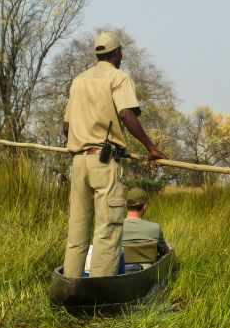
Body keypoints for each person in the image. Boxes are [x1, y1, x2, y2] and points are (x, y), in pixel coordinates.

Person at [62, 31, 166, 278]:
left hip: (78, 163)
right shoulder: (118, 77)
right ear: (117, 53)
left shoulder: (78, 81)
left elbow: (66, 127)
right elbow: (127, 115)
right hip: (104, 162)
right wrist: (151, 148)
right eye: (121, 52)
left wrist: (81, 136)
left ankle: (71, 285)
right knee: (107, 230)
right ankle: (100, 292)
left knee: (77, 230)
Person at [122, 187, 168, 262]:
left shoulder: (115, 229)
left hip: (119, 271)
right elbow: (164, 252)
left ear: (125, 204)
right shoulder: (155, 228)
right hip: (148, 271)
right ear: (145, 206)